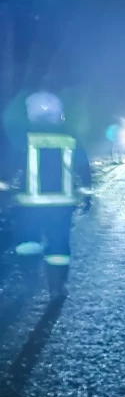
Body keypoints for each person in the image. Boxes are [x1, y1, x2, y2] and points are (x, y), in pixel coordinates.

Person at [0, 91, 93, 300]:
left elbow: (8, 169)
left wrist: (4, 192)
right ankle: (57, 287)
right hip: (61, 207)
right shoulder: (71, 137)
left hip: (29, 206)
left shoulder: (24, 138)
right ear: (58, 113)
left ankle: (28, 279)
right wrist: (87, 194)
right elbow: (83, 168)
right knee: (59, 248)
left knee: (27, 243)